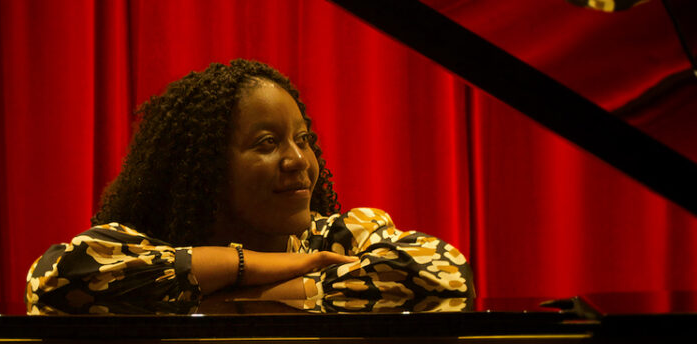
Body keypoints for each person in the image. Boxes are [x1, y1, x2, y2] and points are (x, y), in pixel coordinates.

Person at [26, 59, 473, 314]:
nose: (298, 160)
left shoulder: (338, 237)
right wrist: (252, 265)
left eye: (302, 140)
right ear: (205, 168)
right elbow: (55, 282)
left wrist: (225, 298)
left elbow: (446, 275)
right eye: (267, 143)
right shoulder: (146, 249)